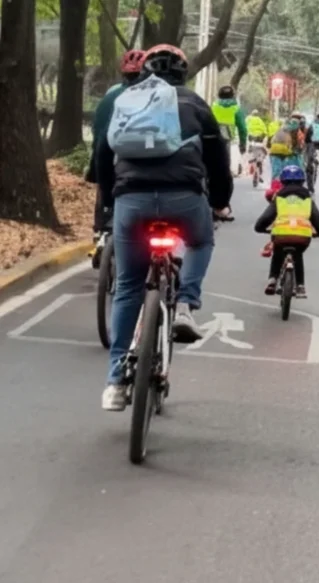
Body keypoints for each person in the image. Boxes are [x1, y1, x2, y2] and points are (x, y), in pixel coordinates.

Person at [96, 44, 233, 411]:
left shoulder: (128, 101)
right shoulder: (195, 105)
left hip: (132, 202)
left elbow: (104, 154)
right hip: (183, 199)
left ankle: (114, 383)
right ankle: (186, 303)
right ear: (184, 73)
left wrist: (111, 199)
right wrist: (219, 200)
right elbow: (218, 160)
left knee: (127, 287)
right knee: (201, 242)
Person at [87, 49, 147, 250]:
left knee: (104, 187)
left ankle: (101, 231)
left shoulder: (110, 96)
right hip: (141, 165)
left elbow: (98, 134)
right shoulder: (156, 97)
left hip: (108, 158)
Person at [254, 165, 319, 298]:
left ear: (282, 181)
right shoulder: (308, 198)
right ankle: (300, 286)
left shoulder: (279, 197)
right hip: (302, 236)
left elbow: (266, 217)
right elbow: (317, 219)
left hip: (281, 234)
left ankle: (272, 280)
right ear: (302, 181)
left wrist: (260, 228)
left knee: (278, 253)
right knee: (297, 254)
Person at [210, 84, 248, 176]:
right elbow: (242, 128)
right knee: (225, 163)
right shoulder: (236, 109)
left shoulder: (213, 107)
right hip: (226, 138)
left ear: (219, 95)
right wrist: (243, 144)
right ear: (233, 96)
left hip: (212, 137)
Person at [268, 113, 304, 181]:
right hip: (287, 151)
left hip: (274, 150)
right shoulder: (297, 129)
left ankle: (275, 187)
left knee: (276, 172)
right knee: (291, 169)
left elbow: (272, 138)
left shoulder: (281, 126)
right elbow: (300, 143)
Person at [245, 109, 268, 181]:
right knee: (262, 155)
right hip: (259, 142)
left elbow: (245, 130)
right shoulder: (260, 121)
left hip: (251, 142)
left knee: (251, 156)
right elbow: (265, 132)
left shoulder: (249, 120)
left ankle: (254, 169)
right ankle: (259, 168)